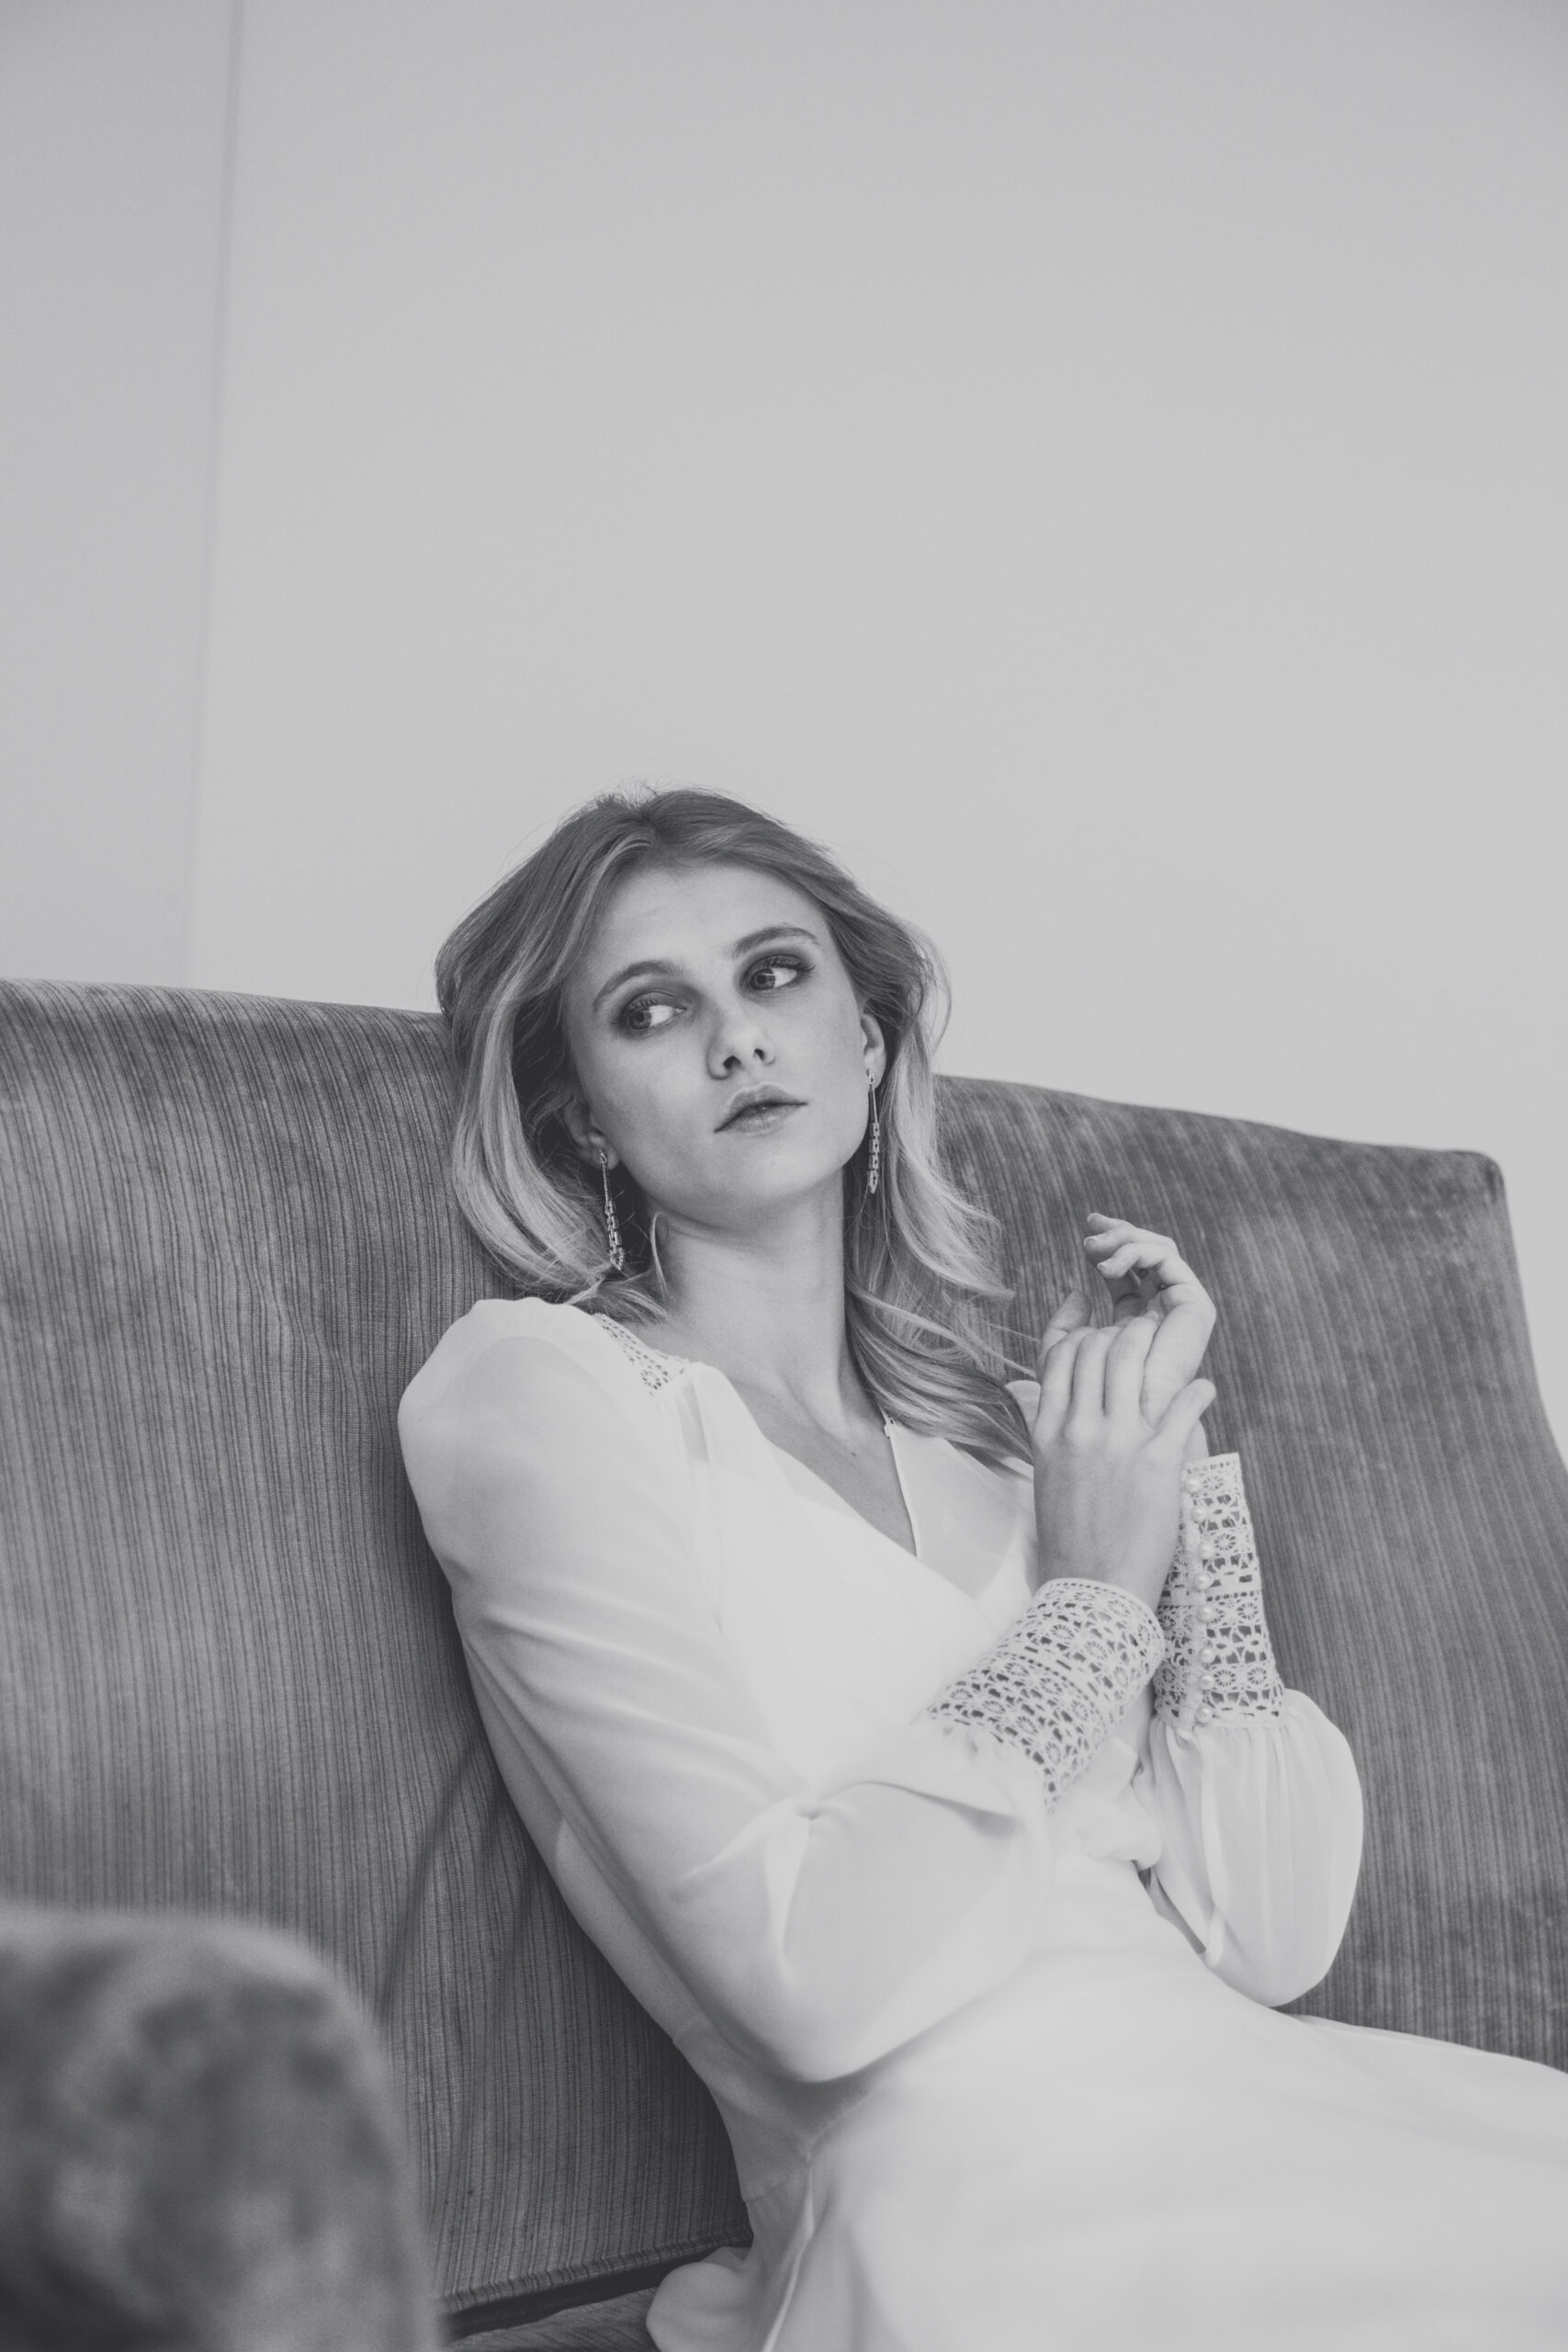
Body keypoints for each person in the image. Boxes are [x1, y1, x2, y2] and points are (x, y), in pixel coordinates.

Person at [399, 786, 1568, 2352]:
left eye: (775, 975)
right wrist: (1090, 1599)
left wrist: (1169, 1488)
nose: (738, 1042)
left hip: (1263, 2105)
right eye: (653, 1010)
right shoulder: (540, 1393)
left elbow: (1275, 1938)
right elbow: (808, 1983)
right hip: (973, 2193)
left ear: (869, 1041)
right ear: (584, 1117)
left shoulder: (1017, 1441)